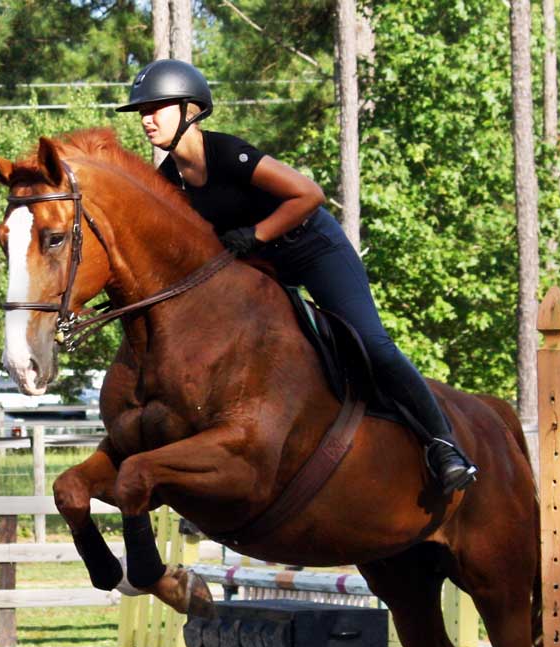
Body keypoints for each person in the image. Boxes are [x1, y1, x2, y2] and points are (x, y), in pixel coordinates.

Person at [116, 59, 478, 494]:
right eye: (143, 111)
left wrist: (256, 234)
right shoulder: (167, 182)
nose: (146, 118)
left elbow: (310, 194)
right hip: (260, 268)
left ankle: (444, 445)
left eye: (157, 107)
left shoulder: (229, 154)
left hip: (312, 248)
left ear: (191, 110)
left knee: (370, 340)